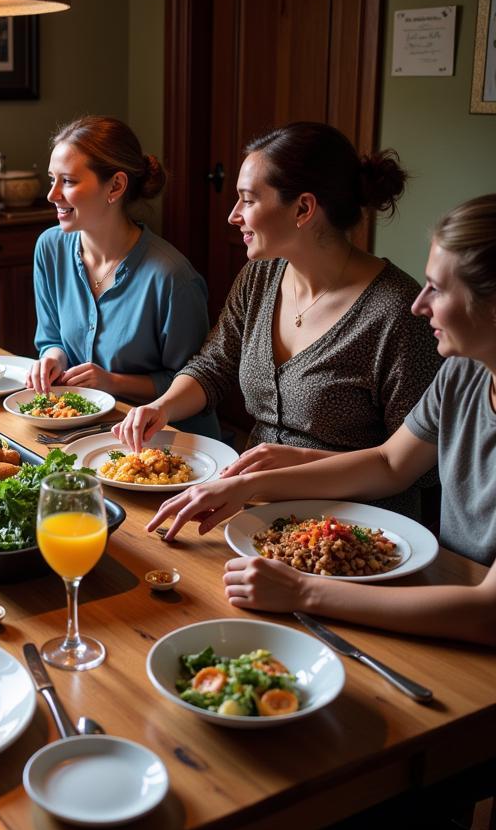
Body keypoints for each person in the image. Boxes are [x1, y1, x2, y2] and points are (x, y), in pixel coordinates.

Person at [149, 193, 496, 642]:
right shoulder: (464, 371)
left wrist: (304, 592)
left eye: (439, 289)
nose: (419, 303)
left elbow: (489, 614)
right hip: (445, 589)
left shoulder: (406, 321)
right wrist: (249, 483)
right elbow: (390, 464)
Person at [117, 122, 442, 515]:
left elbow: (409, 468)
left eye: (248, 200)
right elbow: (214, 364)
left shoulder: (398, 313)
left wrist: (284, 471)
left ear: (303, 209)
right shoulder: (261, 276)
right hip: (251, 503)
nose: (233, 216)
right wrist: (163, 407)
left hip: (356, 526)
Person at [27, 115, 218, 437]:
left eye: (68, 182)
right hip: (81, 428)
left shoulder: (172, 278)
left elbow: (196, 384)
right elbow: (52, 338)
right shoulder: (50, 248)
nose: (52, 195)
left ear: (115, 186)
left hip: (169, 443)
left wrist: (110, 381)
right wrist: (53, 358)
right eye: (52, 180)